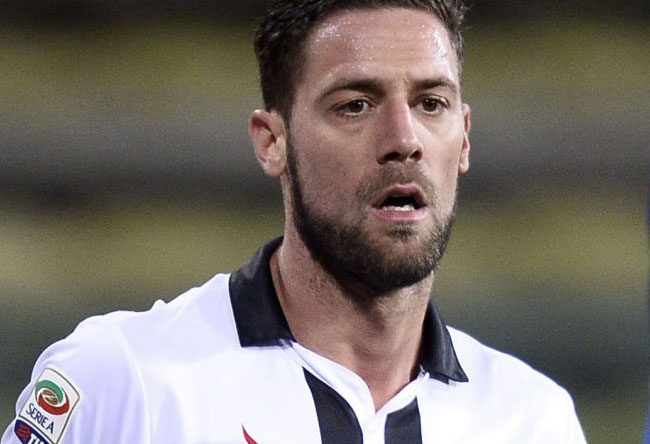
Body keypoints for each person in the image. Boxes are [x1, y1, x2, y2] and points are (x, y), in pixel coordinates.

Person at [2, 1, 587, 443]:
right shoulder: (123, 380)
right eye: (355, 105)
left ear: (464, 139)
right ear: (272, 141)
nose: (403, 140)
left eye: (430, 103)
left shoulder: (534, 419)